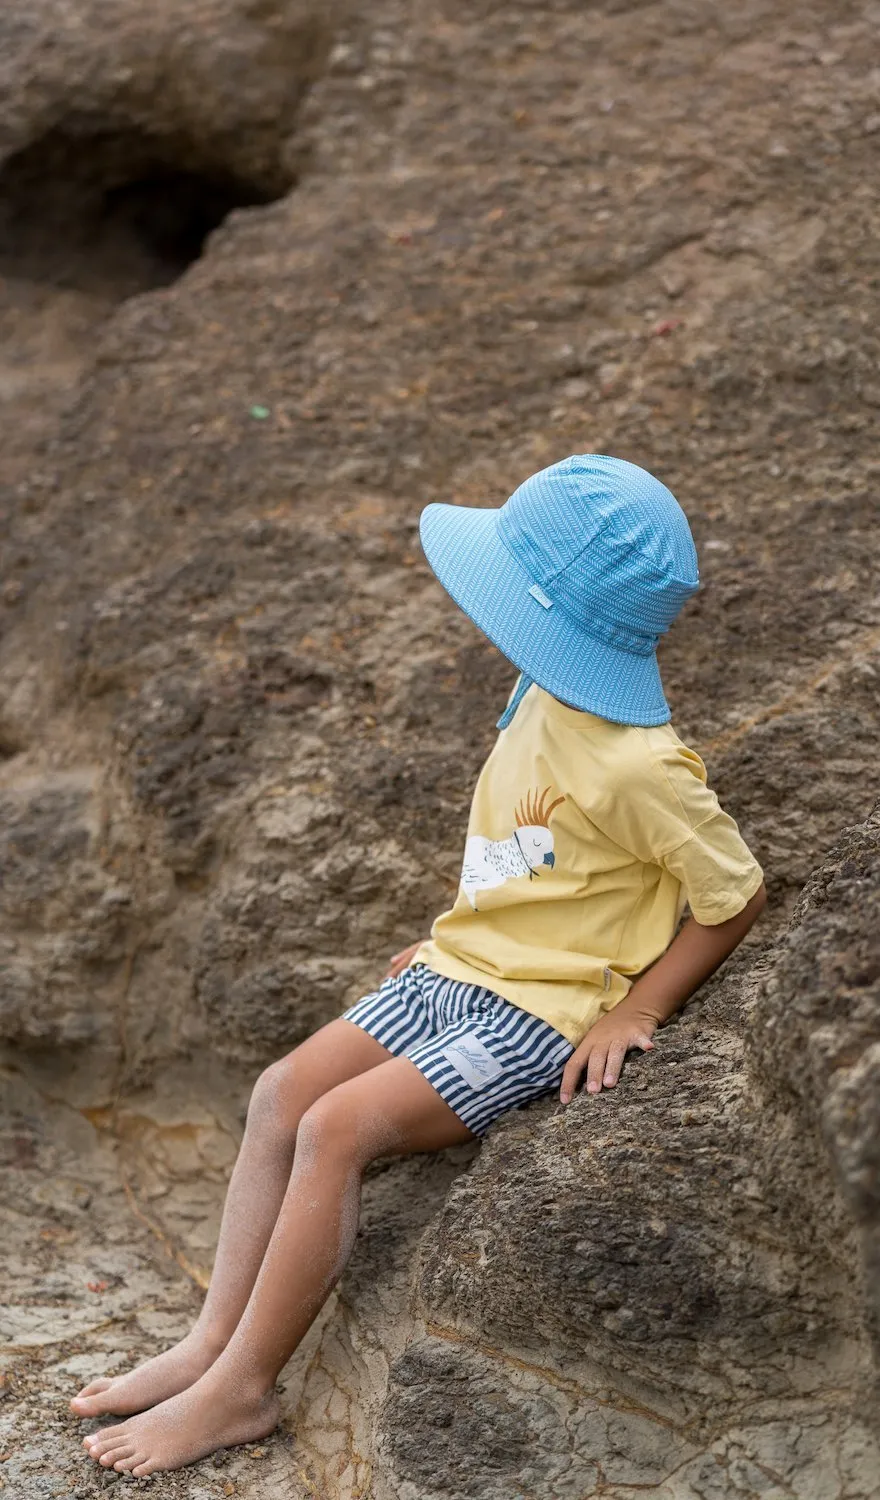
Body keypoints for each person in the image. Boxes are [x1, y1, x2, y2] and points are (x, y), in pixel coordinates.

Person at [72, 454, 765, 1476]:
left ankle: (242, 1388)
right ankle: (208, 1340)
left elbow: (735, 890)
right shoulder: (539, 690)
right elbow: (538, 860)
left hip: (536, 1012)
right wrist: (462, 922)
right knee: (281, 1093)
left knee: (337, 1128)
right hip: (458, 966)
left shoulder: (636, 766)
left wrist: (637, 1010)